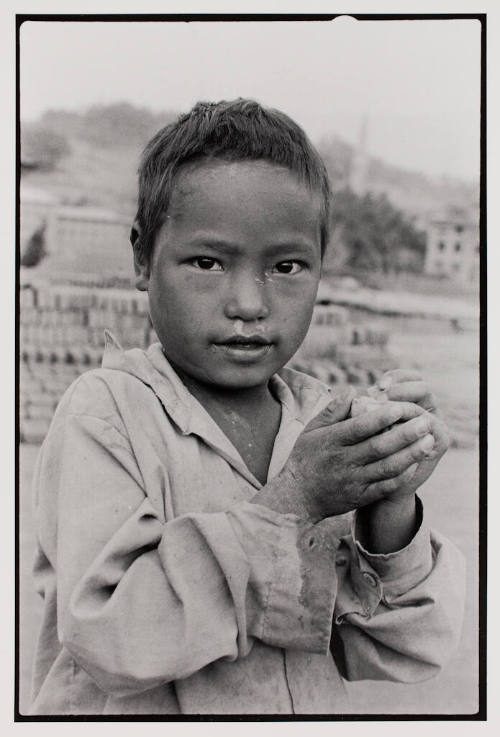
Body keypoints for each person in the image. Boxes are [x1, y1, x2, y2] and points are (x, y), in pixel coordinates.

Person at [29, 99, 465, 715]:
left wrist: (389, 502)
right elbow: (112, 638)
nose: (248, 304)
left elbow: (401, 652)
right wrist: (294, 501)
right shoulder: (106, 415)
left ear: (320, 267)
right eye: (207, 263)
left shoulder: (324, 423)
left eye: (286, 267)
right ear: (141, 258)